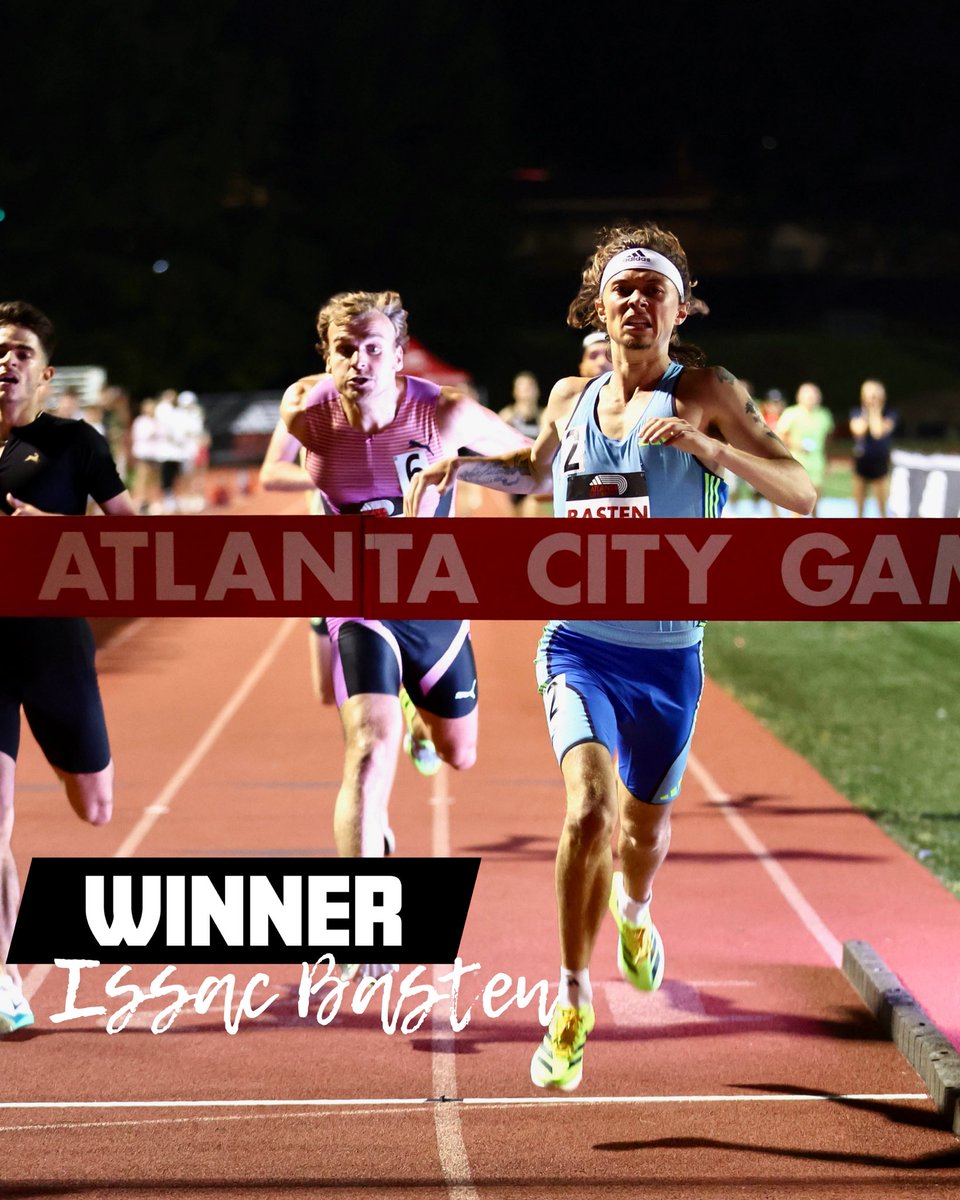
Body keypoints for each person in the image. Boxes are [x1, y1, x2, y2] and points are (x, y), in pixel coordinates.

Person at [405, 224, 815, 1090]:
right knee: (587, 810)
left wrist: (710, 448)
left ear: (678, 307)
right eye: (620, 289)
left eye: (651, 289)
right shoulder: (568, 398)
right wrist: (460, 469)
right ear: (598, 306)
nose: (635, 302)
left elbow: (802, 491)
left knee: (642, 833)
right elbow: (533, 469)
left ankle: (634, 910)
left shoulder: (704, 388)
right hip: (579, 645)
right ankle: (573, 998)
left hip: (670, 659)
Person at [279, 289, 531, 886]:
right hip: (358, 603)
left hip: (436, 606)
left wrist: (460, 467)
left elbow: (534, 469)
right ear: (327, 358)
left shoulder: (446, 414)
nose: (359, 361)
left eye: (373, 348)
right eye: (346, 350)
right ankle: (361, 914)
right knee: (369, 749)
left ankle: (422, 717)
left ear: (398, 358)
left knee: (459, 755)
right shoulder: (304, 416)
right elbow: (283, 475)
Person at [0, 300, 136, 1033]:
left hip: (55, 649)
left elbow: (139, 542)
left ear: (44, 373)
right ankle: (6, 981)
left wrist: (56, 534)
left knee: (96, 807)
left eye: (19, 350)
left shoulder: (75, 444)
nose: (5, 360)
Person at [775, 382, 835, 516]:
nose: (812, 397)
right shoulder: (791, 413)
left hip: (817, 464)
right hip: (797, 464)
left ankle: (815, 532)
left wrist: (827, 461)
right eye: (808, 395)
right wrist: (798, 445)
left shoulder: (824, 415)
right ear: (799, 397)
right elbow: (780, 436)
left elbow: (828, 440)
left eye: (814, 394)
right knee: (798, 505)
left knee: (815, 502)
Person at [498, 371, 544, 516]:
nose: (526, 391)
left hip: (535, 476)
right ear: (515, 392)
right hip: (513, 476)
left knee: (530, 512)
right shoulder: (507, 416)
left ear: (537, 390)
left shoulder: (544, 416)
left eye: (529, 386)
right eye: (522, 387)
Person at [849, 378, 896, 517]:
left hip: (880, 460)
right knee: (859, 506)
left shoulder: (889, 413)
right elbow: (858, 430)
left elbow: (877, 433)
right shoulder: (857, 411)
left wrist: (875, 411)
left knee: (882, 507)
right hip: (861, 460)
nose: (873, 397)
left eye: (876, 394)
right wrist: (867, 412)